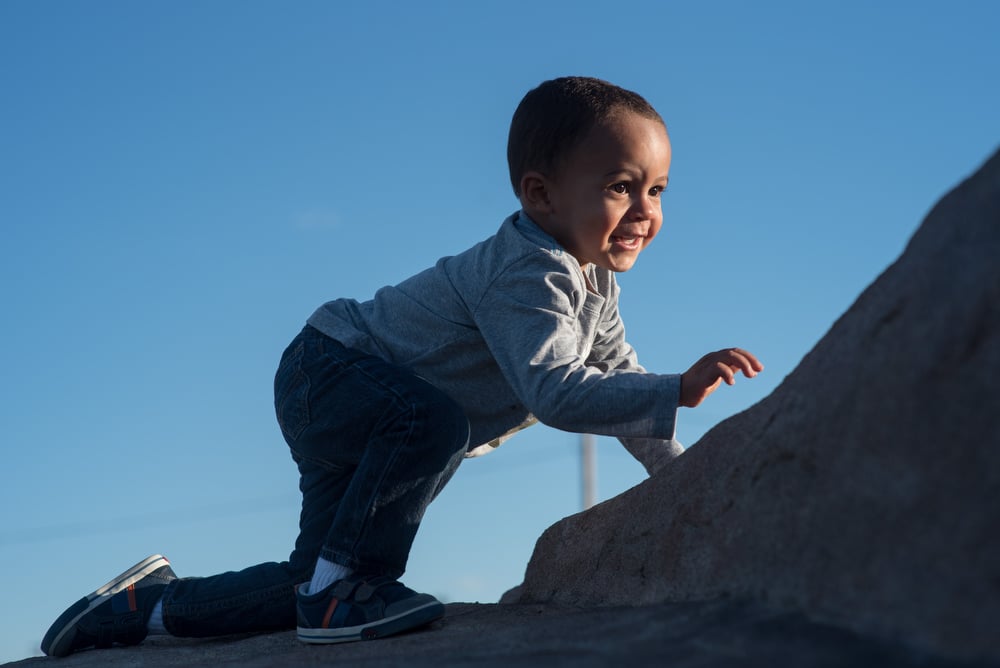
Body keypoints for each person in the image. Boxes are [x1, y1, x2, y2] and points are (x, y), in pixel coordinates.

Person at [41, 76, 763, 657]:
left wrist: (681, 481)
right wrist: (680, 390)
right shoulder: (531, 271)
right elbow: (559, 394)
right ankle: (339, 596)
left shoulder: (593, 280)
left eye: (657, 190)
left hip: (355, 397)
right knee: (429, 428)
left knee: (313, 572)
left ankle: (140, 611)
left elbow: (615, 384)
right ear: (541, 194)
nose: (644, 210)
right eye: (620, 186)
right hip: (334, 371)